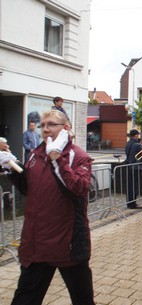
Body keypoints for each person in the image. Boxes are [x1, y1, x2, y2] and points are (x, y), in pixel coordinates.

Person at [0, 110, 95, 305]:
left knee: (83, 300)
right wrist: (11, 166)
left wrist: (56, 158)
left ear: (65, 128)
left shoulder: (78, 156)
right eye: (43, 125)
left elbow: (79, 188)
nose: (45, 129)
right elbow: (29, 187)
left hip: (68, 245)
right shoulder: (36, 154)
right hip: (37, 244)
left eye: (51, 124)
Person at [125, 129, 142, 209]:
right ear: (136, 135)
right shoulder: (137, 144)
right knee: (134, 186)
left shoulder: (128, 143)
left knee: (129, 186)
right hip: (136, 167)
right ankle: (133, 204)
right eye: (137, 135)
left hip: (129, 166)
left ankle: (129, 203)